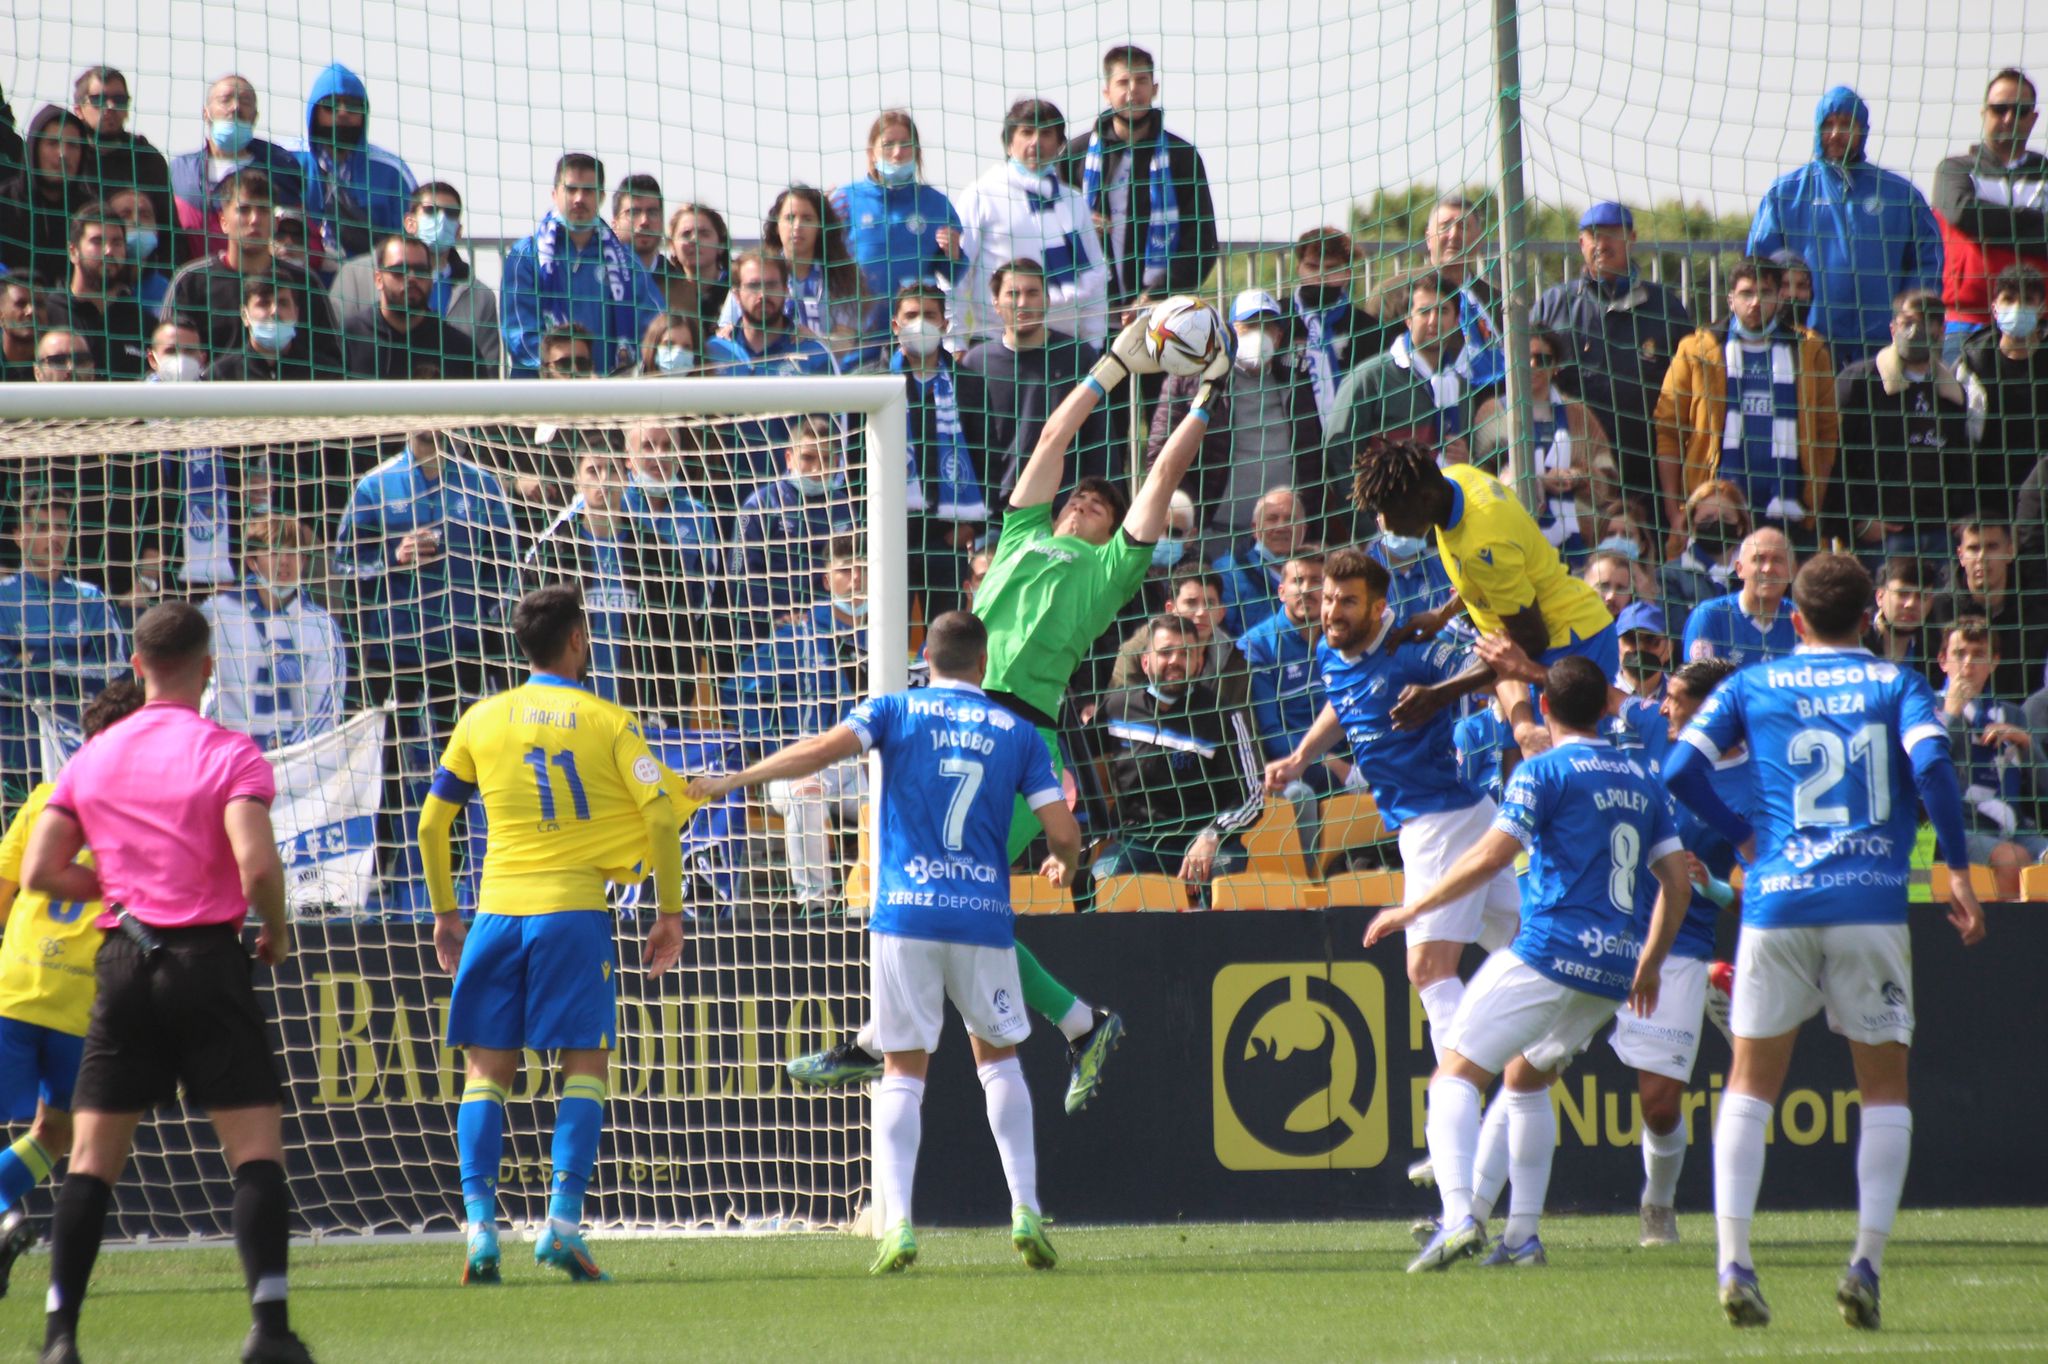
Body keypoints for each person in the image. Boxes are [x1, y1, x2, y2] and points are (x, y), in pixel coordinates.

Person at [787, 312, 1224, 1106]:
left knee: (951, 895)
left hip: (1020, 733)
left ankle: (894, 1037)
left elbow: (1157, 482)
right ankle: (1080, 1026)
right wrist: (1113, 368)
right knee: (935, 891)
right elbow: (1055, 436)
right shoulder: (1022, 531)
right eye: (1081, 496)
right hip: (951, 710)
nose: (1087, 500)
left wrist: (1201, 402)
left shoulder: (1108, 573)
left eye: (1101, 502)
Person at [690, 610, 1080, 1274]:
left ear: (926, 656)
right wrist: (1064, 866)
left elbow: (818, 751)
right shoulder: (1018, 733)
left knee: (902, 1069)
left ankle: (896, 1223)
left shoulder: (895, 710)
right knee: (999, 1062)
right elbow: (1062, 832)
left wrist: (733, 781)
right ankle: (1025, 1209)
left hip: (905, 915)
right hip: (981, 916)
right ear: (984, 664)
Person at [1664, 553, 1985, 1330]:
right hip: (1870, 902)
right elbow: (1934, 765)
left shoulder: (1752, 682)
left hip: (1778, 900)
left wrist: (1743, 836)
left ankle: (1734, 1263)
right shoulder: (1896, 684)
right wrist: (1957, 868)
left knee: (1748, 1084)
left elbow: (1679, 767)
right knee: (1883, 1089)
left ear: (1796, 622)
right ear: (1871, 617)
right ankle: (1865, 1263)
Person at [23, 601, 311, 1363]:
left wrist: (117, 885)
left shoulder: (93, 758)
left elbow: (39, 871)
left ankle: (60, 1337)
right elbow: (256, 867)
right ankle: (268, 1332)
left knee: (89, 1161)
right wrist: (274, 931)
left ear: (137, 664)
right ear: (209, 669)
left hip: (124, 962)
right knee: (253, 1150)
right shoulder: (230, 752)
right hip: (208, 960)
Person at [1370, 654, 1688, 1273]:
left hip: (1550, 952)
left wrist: (1414, 909)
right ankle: (1522, 1237)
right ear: (1604, 708)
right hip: (1615, 969)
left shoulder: (1543, 772)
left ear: (1544, 706)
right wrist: (1648, 964)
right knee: (1524, 1080)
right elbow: (1675, 881)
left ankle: (1460, 1216)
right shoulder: (1642, 777)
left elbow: (1490, 858)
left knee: (1454, 1078)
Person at [418, 584, 686, 1287]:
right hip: (573, 914)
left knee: (485, 1075)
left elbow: (429, 824)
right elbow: (660, 817)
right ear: (576, 640)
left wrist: (447, 914)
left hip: (496, 913)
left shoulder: (481, 719)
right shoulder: (608, 720)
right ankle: (562, 1226)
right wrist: (669, 912)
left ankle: (480, 1232)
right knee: (586, 1065)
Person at [1264, 548, 1520, 1081]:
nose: (1333, 610)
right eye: (1329, 598)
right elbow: (1343, 701)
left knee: (1428, 968)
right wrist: (1301, 756)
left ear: (1379, 607)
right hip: (1449, 818)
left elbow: (1493, 664)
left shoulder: (1415, 649)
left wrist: (1507, 719)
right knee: (1525, 942)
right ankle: (1596, 1014)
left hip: (1441, 819)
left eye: (1348, 602)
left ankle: (1457, 1099)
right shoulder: (1331, 651)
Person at [0, 679, 144, 1297]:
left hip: (15, 987)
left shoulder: (47, 797)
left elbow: (4, 883)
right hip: (82, 1005)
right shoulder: (147, 813)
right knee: (57, 1133)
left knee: (55, 1131)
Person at [333, 430, 517, 912]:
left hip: (462, 654)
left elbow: (507, 567)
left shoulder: (482, 486)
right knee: (390, 772)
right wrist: (392, 558)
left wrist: (481, 614)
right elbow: (345, 566)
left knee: (462, 773)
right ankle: (383, 879)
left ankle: (459, 885)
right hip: (397, 658)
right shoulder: (376, 486)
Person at [1348, 438, 1619, 760]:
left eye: (1390, 512)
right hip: (1530, 641)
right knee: (1518, 760)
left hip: (1570, 643)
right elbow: (1490, 582)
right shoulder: (1457, 478)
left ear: (1425, 499)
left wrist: (1439, 694)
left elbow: (1529, 639)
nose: (1385, 523)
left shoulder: (1484, 544)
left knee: (1564, 769)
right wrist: (1443, 614)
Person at [1609, 656, 1746, 1248]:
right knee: (1527, 1070)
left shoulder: (1755, 783)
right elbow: (1595, 693)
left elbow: (1752, 882)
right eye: (1664, 697)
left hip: (1680, 944)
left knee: (1661, 1106)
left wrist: (1708, 885)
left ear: (1714, 710)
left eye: (1679, 699)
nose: (1664, 707)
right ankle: (1485, 1213)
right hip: (1599, 930)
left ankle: (1657, 1204)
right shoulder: (1650, 728)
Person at [1652, 256, 1838, 553]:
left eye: (1765, 293)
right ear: (1730, 298)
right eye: (1746, 293)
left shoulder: (1809, 349)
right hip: (1717, 512)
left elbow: (1827, 433)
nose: (1755, 302)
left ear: (1780, 297)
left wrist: (1814, 495)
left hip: (1789, 510)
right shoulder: (1697, 349)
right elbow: (1668, 431)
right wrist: (1675, 509)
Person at [1531, 202, 1694, 536]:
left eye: (1612, 235)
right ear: (1580, 244)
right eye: (1593, 236)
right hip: (1577, 475)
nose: (1601, 244)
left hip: (1648, 469)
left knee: (1649, 564)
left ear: (1632, 239)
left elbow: (1690, 391)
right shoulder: (1554, 304)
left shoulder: (1665, 307)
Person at [1747, 87, 1942, 367]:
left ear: (1863, 130)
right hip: (1807, 347)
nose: (1836, 133)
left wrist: (1911, 319)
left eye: (1846, 124)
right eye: (1828, 124)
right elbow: (1759, 266)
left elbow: (1928, 262)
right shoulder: (1785, 194)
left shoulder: (1900, 195)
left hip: (1884, 350)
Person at [725, 539, 869, 912]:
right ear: (826, 580)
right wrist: (770, 748)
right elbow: (736, 691)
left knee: (901, 797)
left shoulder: (888, 633)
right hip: (801, 761)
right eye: (846, 569)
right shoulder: (798, 632)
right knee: (806, 790)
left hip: (860, 767)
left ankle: (879, 898)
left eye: (864, 568)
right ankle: (817, 905)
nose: (856, 578)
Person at [1089, 614, 1263, 891]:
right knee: (1104, 880)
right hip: (1137, 843)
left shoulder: (1222, 714)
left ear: (1197, 662)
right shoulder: (1115, 709)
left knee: (1226, 880)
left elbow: (1252, 796)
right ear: (1145, 662)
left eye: (1185, 653)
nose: (1175, 661)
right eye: (1166, 652)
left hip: (1205, 845)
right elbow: (1080, 769)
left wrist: (1211, 836)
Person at [522, 452, 689, 720]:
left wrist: (669, 706)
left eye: (612, 470)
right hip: (568, 713)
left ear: (625, 480)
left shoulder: (656, 554)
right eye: (593, 470)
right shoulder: (553, 554)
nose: (604, 479)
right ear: (577, 482)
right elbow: (528, 635)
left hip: (638, 713)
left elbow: (680, 636)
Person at [1060, 45, 1218, 327]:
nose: (1133, 90)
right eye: (1123, 82)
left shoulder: (1182, 156)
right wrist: (1079, 222)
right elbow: (1047, 226)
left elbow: (1202, 242)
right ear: (1106, 91)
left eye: (1141, 81)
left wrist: (1156, 294)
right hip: (1088, 316)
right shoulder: (1075, 155)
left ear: (1154, 88)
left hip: (1160, 317)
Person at [0, 491, 129, 803]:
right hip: (17, 749)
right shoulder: (4, 599)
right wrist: (72, 662)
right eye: (42, 528)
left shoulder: (92, 599)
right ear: (19, 536)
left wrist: (38, 658)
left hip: (83, 745)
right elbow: (5, 675)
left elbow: (113, 673)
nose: (55, 537)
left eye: (61, 527)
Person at [1164, 289, 1322, 542]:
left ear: (1279, 337)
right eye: (1249, 325)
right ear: (1231, 332)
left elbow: (1313, 462)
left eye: (1267, 327)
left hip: (1281, 535)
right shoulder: (1194, 381)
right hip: (1215, 530)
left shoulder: (1297, 387)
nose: (1259, 334)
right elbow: (1161, 453)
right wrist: (1190, 516)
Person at [1832, 290, 1974, 570]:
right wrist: (1856, 521)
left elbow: (1961, 462)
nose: (1915, 330)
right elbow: (1833, 459)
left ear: (1941, 330)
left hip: (1939, 536)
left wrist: (1962, 515)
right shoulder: (1859, 382)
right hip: (1880, 537)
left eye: (1926, 322)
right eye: (1908, 321)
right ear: (1892, 327)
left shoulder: (1952, 393)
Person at [951, 98, 1108, 346]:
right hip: (996, 344)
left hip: (1065, 348)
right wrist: (955, 343)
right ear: (1009, 142)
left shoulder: (1073, 201)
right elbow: (956, 275)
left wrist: (1094, 344)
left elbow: (1096, 278)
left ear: (1059, 144)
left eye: (1046, 133)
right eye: (1026, 132)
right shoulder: (981, 195)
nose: (1036, 142)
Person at [955, 258, 1112, 503]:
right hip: (997, 514)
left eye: (1032, 293)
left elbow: (1099, 442)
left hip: (1063, 511)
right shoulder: (976, 364)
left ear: (1047, 300)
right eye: (1012, 294)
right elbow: (964, 447)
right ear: (996, 304)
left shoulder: (1078, 357)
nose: (1022, 303)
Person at [500, 154, 663, 377]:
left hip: (608, 397)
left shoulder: (625, 262)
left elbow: (655, 328)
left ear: (601, 197)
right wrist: (566, 370)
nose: (579, 198)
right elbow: (518, 332)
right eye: (571, 189)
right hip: (539, 395)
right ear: (554, 194)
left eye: (588, 190)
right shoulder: (526, 255)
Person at [162, 167, 341, 364]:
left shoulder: (305, 283)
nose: (255, 220)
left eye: (263, 210)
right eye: (244, 210)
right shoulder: (190, 281)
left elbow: (333, 363)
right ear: (223, 221)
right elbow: (166, 356)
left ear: (274, 222)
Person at [199, 515, 348, 751]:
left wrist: (286, 755)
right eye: (274, 553)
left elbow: (326, 710)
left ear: (305, 560)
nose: (284, 562)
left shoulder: (321, 626)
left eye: (293, 553)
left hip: (298, 764)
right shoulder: (216, 614)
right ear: (252, 561)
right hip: (227, 757)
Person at [1471, 329, 1613, 561]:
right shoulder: (1492, 412)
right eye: (1525, 356)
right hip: (1510, 538)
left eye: (1542, 359)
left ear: (1555, 366)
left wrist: (1577, 476)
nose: (1533, 364)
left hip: (1577, 543)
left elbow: (1609, 479)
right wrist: (1529, 481)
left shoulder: (1579, 414)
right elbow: (1481, 478)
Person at [1934, 70, 2048, 359]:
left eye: (2021, 111)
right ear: (1984, 112)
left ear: (2033, 119)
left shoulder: (2044, 173)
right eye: (2000, 109)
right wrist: (2033, 221)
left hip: (2038, 324)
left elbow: (1977, 220)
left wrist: (1988, 229)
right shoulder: (1955, 169)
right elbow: (1963, 213)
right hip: (1966, 324)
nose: (2009, 118)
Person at [330, 182, 501, 370]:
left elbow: (487, 370)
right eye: (430, 211)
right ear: (409, 222)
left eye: (450, 214)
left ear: (459, 230)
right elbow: (335, 344)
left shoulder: (480, 296)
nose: (441, 219)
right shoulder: (355, 274)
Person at [888, 282, 984, 616]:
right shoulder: (873, 382)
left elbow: (988, 456)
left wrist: (973, 528)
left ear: (944, 323)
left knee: (947, 637)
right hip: (889, 537)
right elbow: (855, 463)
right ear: (895, 325)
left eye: (929, 315)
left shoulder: (969, 383)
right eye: (911, 315)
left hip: (947, 537)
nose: (920, 323)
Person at [832, 110, 966, 342]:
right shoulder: (845, 200)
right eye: (888, 144)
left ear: (917, 152)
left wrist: (954, 255)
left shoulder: (935, 204)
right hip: (858, 334)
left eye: (905, 144)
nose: (897, 153)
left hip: (916, 335)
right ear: (871, 153)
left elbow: (953, 275)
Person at [1937, 617, 2046, 897]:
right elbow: (1926, 768)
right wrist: (1952, 714)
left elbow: (2042, 789)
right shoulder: (1929, 708)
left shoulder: (2011, 714)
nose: (1968, 664)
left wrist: (2026, 743)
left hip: (2014, 827)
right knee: (2012, 857)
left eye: (1979, 655)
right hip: (1961, 828)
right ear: (1942, 660)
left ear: (1994, 662)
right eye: (1960, 654)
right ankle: (2011, 940)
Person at [1325, 271, 1472, 465]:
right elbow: (1338, 449)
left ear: (1456, 321)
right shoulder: (1369, 378)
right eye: (1424, 311)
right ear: (1408, 319)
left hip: (1447, 492)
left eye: (1443, 311)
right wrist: (1361, 494)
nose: (1433, 321)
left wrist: (1467, 458)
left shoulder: (1460, 385)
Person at [733, 416, 861, 630]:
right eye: (808, 458)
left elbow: (856, 571)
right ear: (789, 458)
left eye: (826, 459)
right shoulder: (760, 505)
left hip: (831, 628)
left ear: (838, 462)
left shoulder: (845, 508)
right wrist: (771, 618)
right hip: (771, 633)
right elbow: (741, 573)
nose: (817, 469)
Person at [168, 75, 304, 266]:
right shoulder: (180, 173)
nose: (235, 107)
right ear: (206, 113)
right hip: (199, 286)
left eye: (245, 101)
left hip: (264, 285)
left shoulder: (282, 169)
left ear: (255, 116)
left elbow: (305, 236)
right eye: (225, 100)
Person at [1239, 551, 1344, 796]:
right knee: (1323, 781)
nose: (1306, 589)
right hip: (1291, 764)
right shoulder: (1257, 645)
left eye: (1316, 581)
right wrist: (1324, 759)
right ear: (1282, 591)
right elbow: (1270, 733)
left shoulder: (1344, 640)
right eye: (1298, 581)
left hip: (1345, 755)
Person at [295, 64, 416, 265]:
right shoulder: (289, 160)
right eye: (331, 104)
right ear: (314, 112)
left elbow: (410, 240)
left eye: (352, 105)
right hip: (300, 280)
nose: (342, 113)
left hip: (368, 281)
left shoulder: (392, 172)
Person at [1932, 517, 2048, 704]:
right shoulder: (1938, 609)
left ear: (2010, 550)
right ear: (1960, 555)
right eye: (1974, 548)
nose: (1982, 558)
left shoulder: (2036, 611)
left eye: (1992, 547)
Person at [1958, 263, 2048, 493]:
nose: (2018, 308)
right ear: (1995, 308)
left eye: (2027, 300)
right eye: (2009, 299)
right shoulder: (1972, 365)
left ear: (2041, 309)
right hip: (1989, 492)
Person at [69, 68, 170, 272]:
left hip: (147, 279)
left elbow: (171, 232)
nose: (110, 107)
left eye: (119, 99)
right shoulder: (71, 156)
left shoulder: (147, 159)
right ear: (79, 109)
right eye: (98, 100)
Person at [341, 233, 480, 379]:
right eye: (399, 270)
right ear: (378, 279)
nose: (412, 278)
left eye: (421, 271)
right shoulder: (348, 339)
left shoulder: (458, 349)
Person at [52, 202, 148, 379]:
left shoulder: (144, 323)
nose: (109, 251)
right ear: (73, 251)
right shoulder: (48, 313)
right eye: (97, 241)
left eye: (117, 243)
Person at [1681, 527, 1799, 667]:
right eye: (1759, 559)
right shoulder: (1710, 616)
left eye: (1777, 560)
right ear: (1739, 569)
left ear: (1793, 571)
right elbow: (1698, 684)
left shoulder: (1803, 619)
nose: (1768, 569)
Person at [1289, 225, 1366, 431]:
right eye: (1312, 267)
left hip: (1348, 439)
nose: (1321, 276)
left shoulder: (1367, 327)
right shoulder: (1278, 318)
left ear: (1348, 273)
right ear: (1299, 268)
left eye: (1332, 268)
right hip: (1288, 442)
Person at [1210, 486, 1306, 637]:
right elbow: (1220, 637)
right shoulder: (1228, 573)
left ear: (1304, 529)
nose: (1281, 527)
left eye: (1290, 519)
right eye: (1272, 519)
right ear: (1255, 528)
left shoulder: (1318, 574)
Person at [206, 277, 342, 381]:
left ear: (296, 313)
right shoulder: (220, 376)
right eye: (264, 303)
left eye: (283, 303)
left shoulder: (327, 374)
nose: (275, 311)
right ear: (245, 315)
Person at [1658, 479, 1752, 619]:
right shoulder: (1669, 576)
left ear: (1740, 528)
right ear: (1692, 525)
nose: (1717, 524)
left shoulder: (1751, 578)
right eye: (1708, 518)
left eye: (1725, 519)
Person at [662, 201, 730, 336]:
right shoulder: (663, 293)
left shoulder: (737, 289)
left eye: (704, 233)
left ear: (721, 244)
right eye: (686, 234)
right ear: (672, 246)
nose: (694, 239)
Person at [1867, 555, 1933, 667]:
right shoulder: (1854, 637)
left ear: (1931, 602)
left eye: (1921, 596)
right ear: (1880, 597)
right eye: (1902, 594)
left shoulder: (1934, 650)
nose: (1910, 604)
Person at [1617, 600, 1674, 700]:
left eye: (1651, 639)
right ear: (1616, 645)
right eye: (1631, 638)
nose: (1640, 647)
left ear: (1669, 649)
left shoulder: (1683, 699)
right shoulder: (1600, 693)